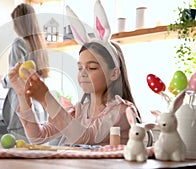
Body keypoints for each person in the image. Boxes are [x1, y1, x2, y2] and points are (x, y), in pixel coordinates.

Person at [8, 41, 141, 146]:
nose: (83, 73)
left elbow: (86, 138)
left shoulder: (122, 112)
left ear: (114, 73)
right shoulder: (79, 111)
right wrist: (21, 94)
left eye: (92, 68)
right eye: (80, 68)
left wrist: (46, 98)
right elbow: (37, 137)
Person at [0, 3, 49, 141]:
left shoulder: (19, 43)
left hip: (23, 108)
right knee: (34, 155)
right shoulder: (39, 44)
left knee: (19, 156)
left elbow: (17, 78)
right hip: (40, 109)